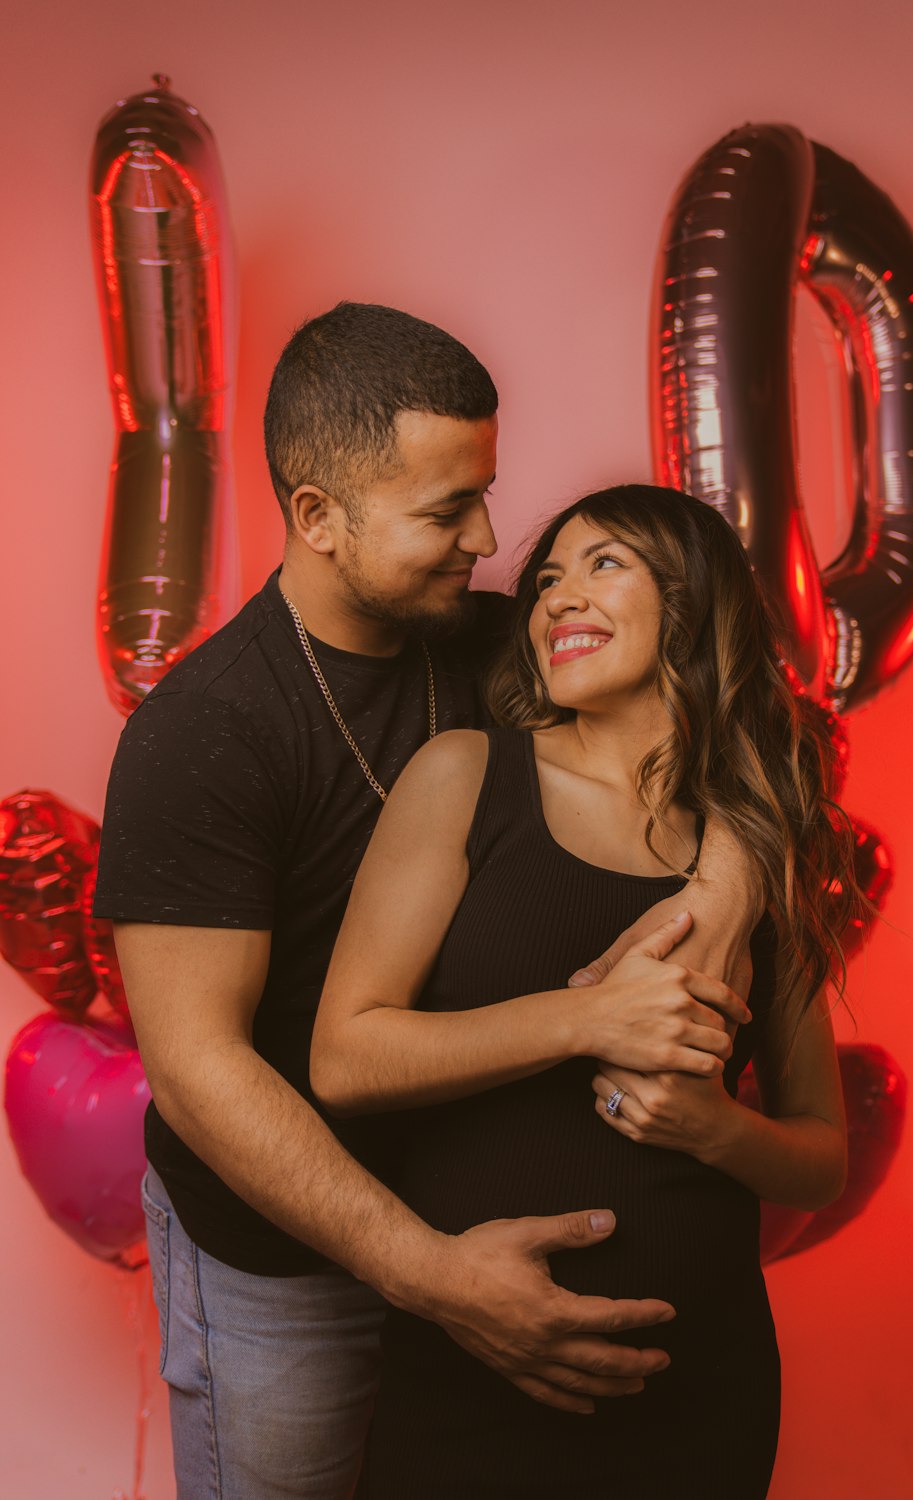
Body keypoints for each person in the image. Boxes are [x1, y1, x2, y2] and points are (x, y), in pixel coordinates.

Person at [93, 307, 761, 1500]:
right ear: (318, 517)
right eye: (444, 512)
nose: (491, 537)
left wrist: (731, 873)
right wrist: (429, 1272)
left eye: (484, 494)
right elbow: (198, 1069)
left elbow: (729, 710)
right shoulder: (204, 733)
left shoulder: (500, 643)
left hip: (473, 1216)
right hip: (284, 1253)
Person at [311, 484, 859, 1498]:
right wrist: (587, 1018)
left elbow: (820, 1154)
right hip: (476, 1382)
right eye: (547, 580)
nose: (559, 597)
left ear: (693, 604)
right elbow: (345, 1059)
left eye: (603, 564)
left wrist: (711, 1131)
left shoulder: (758, 844)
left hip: (701, 1395)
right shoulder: (467, 775)